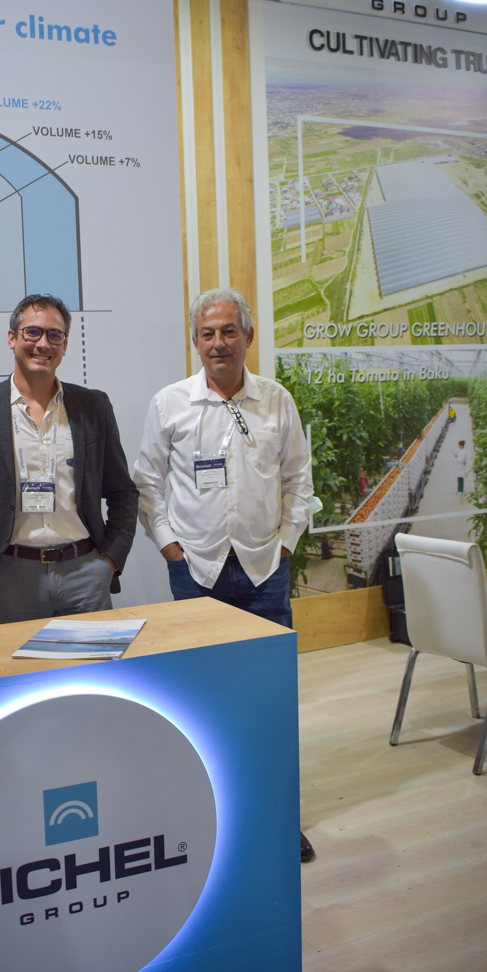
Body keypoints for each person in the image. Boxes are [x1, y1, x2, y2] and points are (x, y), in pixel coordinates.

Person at [133, 287, 317, 861]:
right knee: (200, 701)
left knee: (268, 702)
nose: (219, 343)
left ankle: (277, 818)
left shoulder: (277, 401)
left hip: (265, 572)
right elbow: (147, 484)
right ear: (195, 340)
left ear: (248, 337)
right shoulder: (170, 403)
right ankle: (204, 820)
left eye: (229, 331)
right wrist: (169, 547)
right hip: (196, 574)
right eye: (208, 333)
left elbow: (299, 480)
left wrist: (285, 545)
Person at [0, 293, 138, 623]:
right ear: (12, 338)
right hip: (9, 576)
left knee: (94, 657)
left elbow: (123, 491)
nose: (43, 344)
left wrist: (109, 560)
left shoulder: (93, 406)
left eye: (55, 335)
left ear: (65, 346)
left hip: (85, 572)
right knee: (21, 660)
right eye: (32, 332)